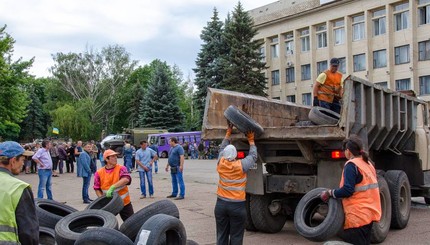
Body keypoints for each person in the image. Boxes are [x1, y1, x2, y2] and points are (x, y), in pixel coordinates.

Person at [320, 135, 381, 245]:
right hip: (369, 213)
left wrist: (330, 193)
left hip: (358, 215)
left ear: (348, 151)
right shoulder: (367, 163)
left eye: (345, 150)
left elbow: (347, 190)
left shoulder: (351, 165)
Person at [214, 122, 257, 245]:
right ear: (236, 155)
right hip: (237, 207)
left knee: (221, 236)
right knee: (236, 237)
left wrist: (228, 132)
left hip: (221, 205)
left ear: (224, 156)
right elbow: (253, 156)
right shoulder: (241, 165)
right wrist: (251, 140)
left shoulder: (220, 163)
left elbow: (222, 149)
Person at [0, 141, 39, 244]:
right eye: (22, 160)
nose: (23, 163)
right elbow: (28, 231)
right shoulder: (18, 187)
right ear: (13, 161)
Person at [93, 149, 134, 221]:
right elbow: (97, 188)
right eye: (112, 156)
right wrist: (101, 200)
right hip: (109, 204)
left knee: (132, 222)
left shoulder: (121, 168)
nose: (115, 158)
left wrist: (113, 187)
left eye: (116, 156)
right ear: (106, 159)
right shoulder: (99, 173)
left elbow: (126, 179)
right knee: (107, 223)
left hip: (124, 202)